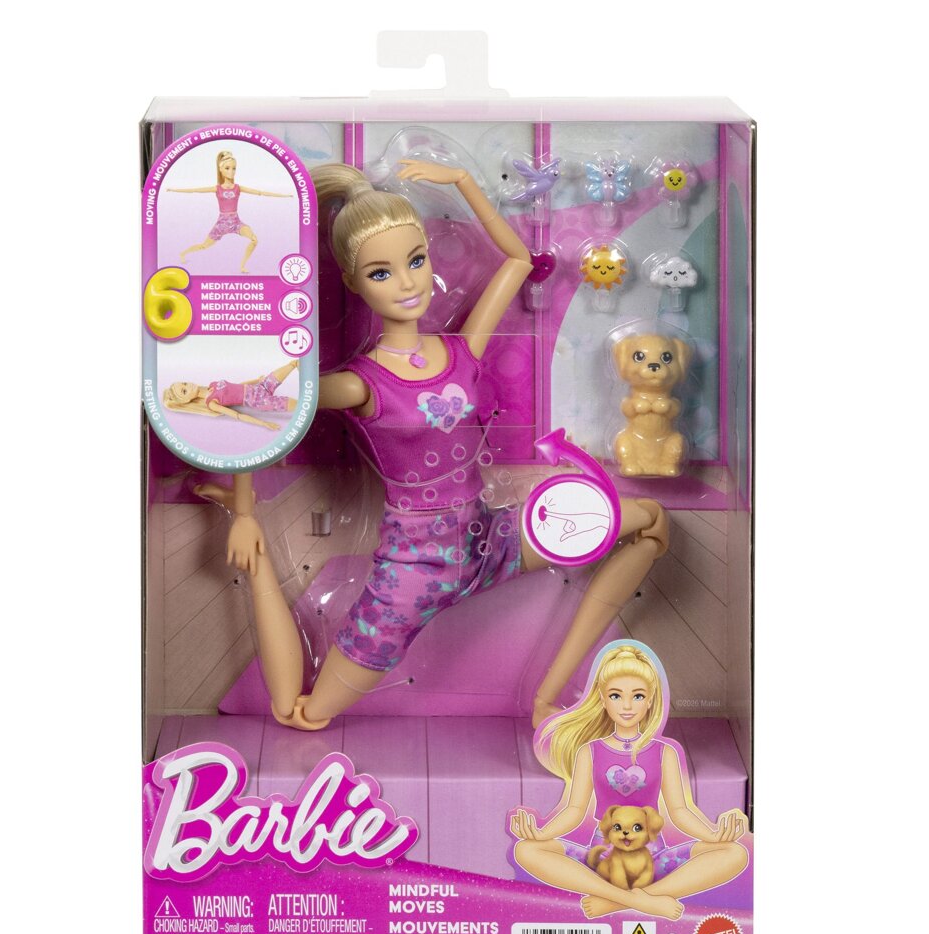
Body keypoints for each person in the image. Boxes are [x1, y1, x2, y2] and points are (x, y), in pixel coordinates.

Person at [220, 159, 670, 731]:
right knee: (301, 713)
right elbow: (260, 404)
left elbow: (517, 261)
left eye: (415, 261)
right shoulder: (361, 384)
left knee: (650, 521)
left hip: (491, 542)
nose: (407, 283)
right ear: (353, 282)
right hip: (410, 573)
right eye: (381, 273)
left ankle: (549, 697)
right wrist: (243, 512)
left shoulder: (461, 349)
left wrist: (462, 180)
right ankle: (260, 568)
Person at [510, 643, 748, 920]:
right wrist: (542, 834)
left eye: (637, 696)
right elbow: (574, 810)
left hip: (654, 859)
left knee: (735, 853)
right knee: (526, 849)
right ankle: (639, 900)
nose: (626, 706)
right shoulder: (590, 751)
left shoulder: (664, 752)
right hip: (601, 858)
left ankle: (614, 902)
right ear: (602, 699)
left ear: (650, 700)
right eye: (616, 695)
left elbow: (680, 810)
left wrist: (712, 835)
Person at [166, 149, 293, 271]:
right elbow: (194, 190)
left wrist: (284, 195)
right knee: (203, 246)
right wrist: (173, 189)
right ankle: (183, 254)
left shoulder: (238, 188)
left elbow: (260, 192)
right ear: (220, 169)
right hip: (221, 224)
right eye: (227, 168)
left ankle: (242, 266)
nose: (231, 172)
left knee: (254, 240)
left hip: (236, 223)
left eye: (234, 168)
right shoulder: (217, 188)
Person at [162, 360, 299, 432]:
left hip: (260, 386)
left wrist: (256, 380)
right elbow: (238, 416)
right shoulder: (212, 403)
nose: (188, 386)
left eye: (184, 383)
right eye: (184, 391)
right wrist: (264, 423)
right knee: (301, 405)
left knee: (293, 363)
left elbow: (237, 386)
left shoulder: (212, 384)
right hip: (261, 401)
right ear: (186, 400)